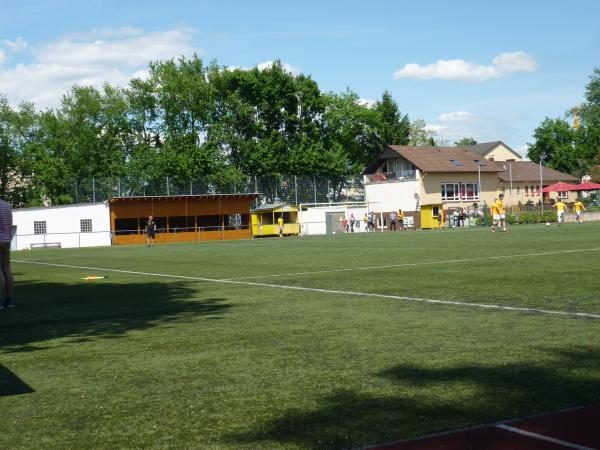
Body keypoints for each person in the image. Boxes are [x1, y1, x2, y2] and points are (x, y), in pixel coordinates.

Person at [0, 197, 15, 309]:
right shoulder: (7, 205)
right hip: (6, 240)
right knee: (7, 269)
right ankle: (9, 300)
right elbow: (11, 224)